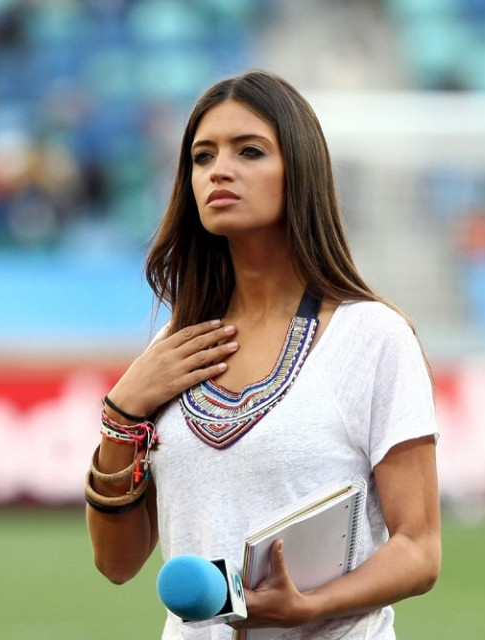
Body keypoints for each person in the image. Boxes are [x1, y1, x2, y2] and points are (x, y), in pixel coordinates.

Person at [85, 69, 440, 640]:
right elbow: (117, 563)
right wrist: (122, 413)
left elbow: (420, 550)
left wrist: (311, 604)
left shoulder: (373, 337)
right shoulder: (173, 350)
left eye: (248, 151)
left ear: (299, 172)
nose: (218, 170)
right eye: (202, 157)